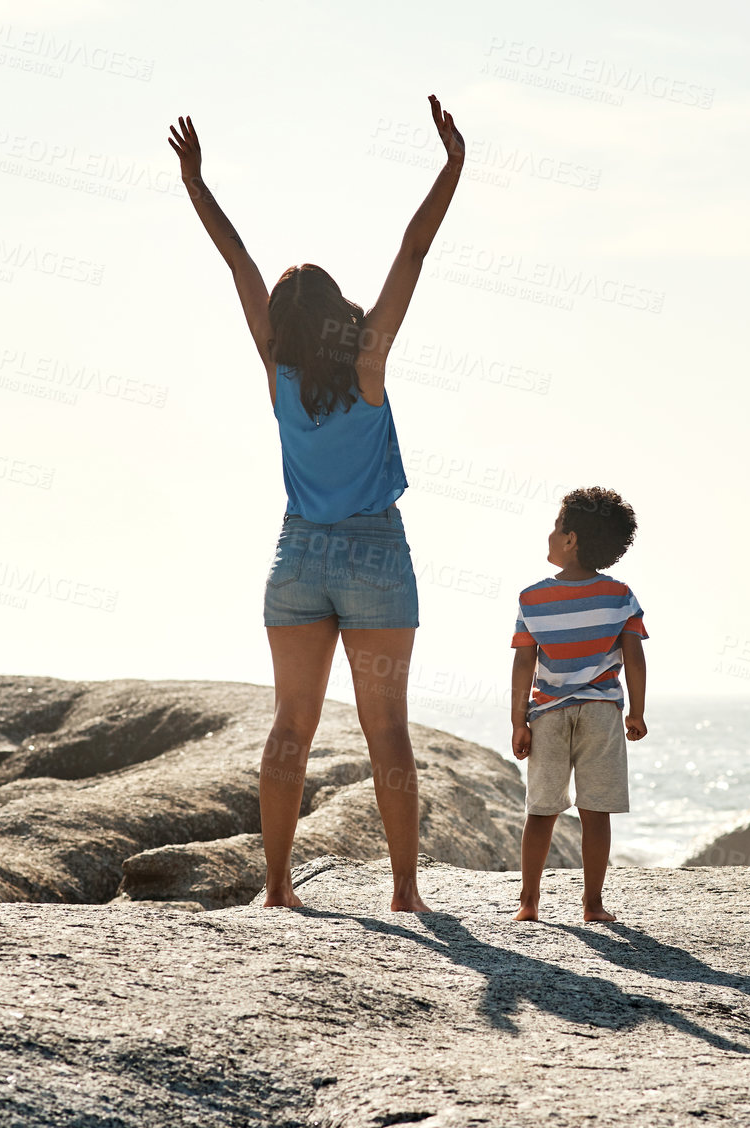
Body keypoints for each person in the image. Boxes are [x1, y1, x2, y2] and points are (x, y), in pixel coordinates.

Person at [168, 96, 465, 912]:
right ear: (339, 313)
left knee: (288, 728)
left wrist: (196, 183)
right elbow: (412, 249)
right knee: (388, 733)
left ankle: (275, 889)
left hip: (297, 559)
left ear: (281, 325)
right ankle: (405, 893)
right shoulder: (367, 359)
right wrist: (450, 167)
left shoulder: (277, 372)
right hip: (372, 554)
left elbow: (236, 262)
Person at [509, 488, 648, 922]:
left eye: (555, 526)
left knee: (542, 810)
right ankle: (592, 905)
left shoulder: (532, 598)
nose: (550, 534)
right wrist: (637, 712)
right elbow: (634, 656)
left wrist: (518, 721)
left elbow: (523, 662)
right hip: (603, 712)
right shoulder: (620, 595)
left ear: (570, 539)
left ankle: (529, 903)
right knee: (596, 811)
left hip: (548, 712)